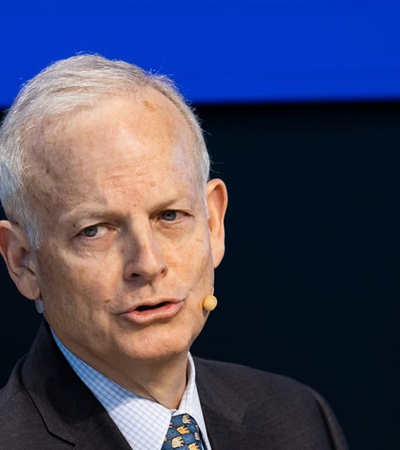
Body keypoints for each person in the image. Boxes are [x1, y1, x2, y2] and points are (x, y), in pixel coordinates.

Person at [0, 53, 348, 449]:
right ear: (23, 261)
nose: (148, 264)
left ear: (213, 224)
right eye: (94, 230)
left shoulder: (298, 419)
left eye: (169, 215)